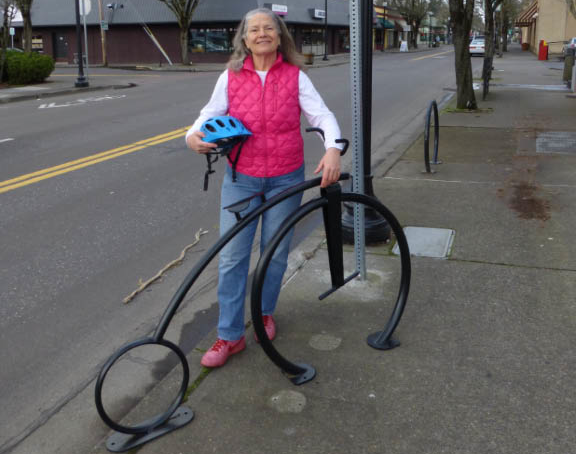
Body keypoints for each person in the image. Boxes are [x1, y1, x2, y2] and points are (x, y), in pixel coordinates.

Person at [186, 7, 343, 368]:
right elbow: (207, 116)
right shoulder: (230, 77)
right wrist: (192, 137)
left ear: (279, 35)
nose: (261, 34)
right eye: (253, 29)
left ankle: (264, 314)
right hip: (242, 180)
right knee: (232, 259)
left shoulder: (294, 76)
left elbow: (321, 116)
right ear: (244, 38)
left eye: (267, 28)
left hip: (285, 179)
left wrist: (333, 149)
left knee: (274, 255)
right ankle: (229, 335)